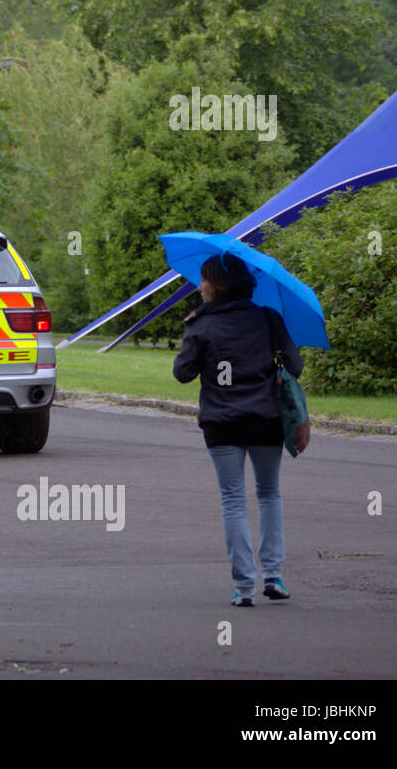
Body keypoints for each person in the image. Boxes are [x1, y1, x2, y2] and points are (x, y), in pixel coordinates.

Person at [173, 252, 303, 607]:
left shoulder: (200, 324)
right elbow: (295, 365)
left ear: (217, 286)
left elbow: (182, 373)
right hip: (265, 419)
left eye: (203, 280)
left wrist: (191, 330)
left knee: (233, 500)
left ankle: (244, 587)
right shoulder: (268, 318)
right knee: (269, 494)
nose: (199, 287)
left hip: (221, 422)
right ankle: (273, 575)